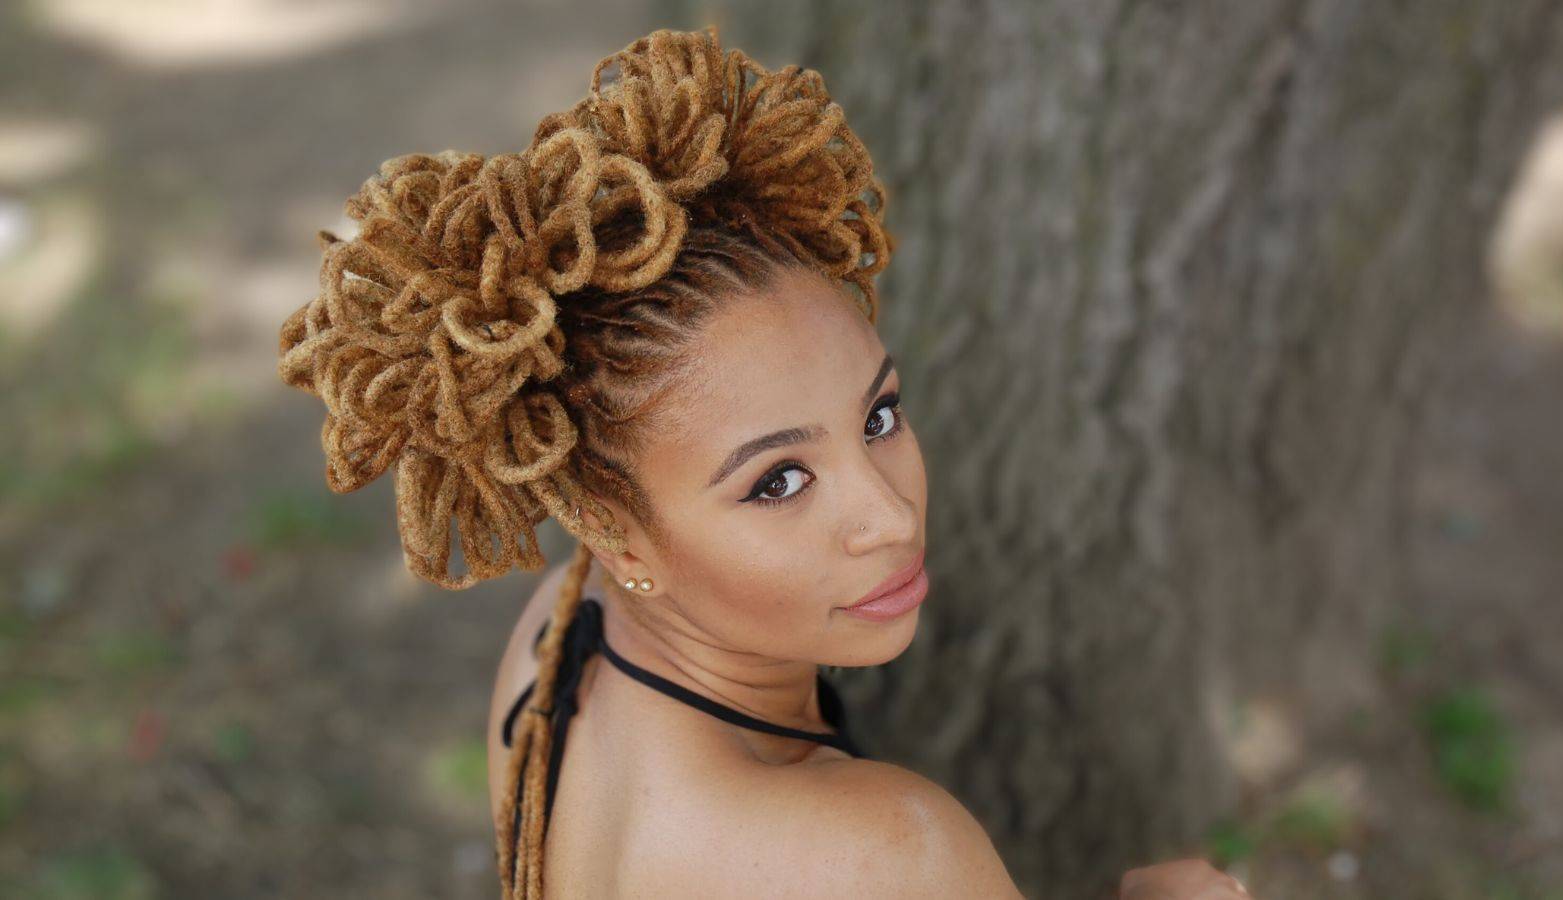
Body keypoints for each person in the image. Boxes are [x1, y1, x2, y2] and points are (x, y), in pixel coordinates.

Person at [277, 23, 1256, 900]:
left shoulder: (555, 636)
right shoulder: (892, 851)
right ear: (610, 526)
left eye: (879, 416)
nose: (891, 518)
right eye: (777, 481)